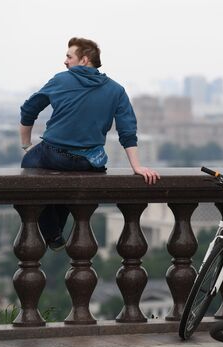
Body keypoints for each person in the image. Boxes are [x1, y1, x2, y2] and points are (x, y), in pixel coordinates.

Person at [20, 37, 160, 251]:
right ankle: (55, 232)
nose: (65, 62)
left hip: (54, 154)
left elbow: (29, 109)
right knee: (65, 179)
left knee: (31, 164)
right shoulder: (116, 90)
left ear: (84, 60)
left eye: (69, 56)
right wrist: (137, 167)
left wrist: (26, 145)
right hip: (90, 161)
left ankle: (52, 233)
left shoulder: (61, 80)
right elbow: (127, 132)